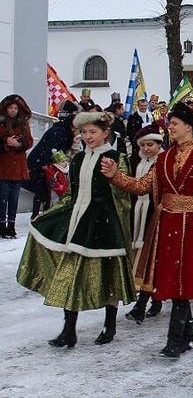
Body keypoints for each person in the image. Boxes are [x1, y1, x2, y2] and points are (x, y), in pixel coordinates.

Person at [101, 102, 193, 358]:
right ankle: (187, 337)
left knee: (182, 282)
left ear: (189, 128)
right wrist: (116, 175)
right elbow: (141, 186)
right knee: (173, 281)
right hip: (166, 225)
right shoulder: (163, 158)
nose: (169, 127)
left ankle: (175, 341)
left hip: (191, 226)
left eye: (174, 123)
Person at [17, 111, 135, 348]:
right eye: (83, 132)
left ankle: (109, 325)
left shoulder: (116, 157)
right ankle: (69, 330)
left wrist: (114, 180)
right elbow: (71, 193)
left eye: (93, 132)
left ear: (106, 133)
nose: (88, 137)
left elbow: (123, 194)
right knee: (71, 275)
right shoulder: (79, 160)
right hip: (77, 223)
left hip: (104, 225)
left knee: (109, 275)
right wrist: (52, 214)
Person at [124, 124, 165, 324]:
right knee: (140, 259)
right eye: (143, 145)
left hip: (154, 214)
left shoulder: (163, 162)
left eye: (150, 144)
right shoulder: (135, 162)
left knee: (152, 259)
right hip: (136, 214)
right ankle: (152, 297)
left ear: (158, 145)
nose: (147, 148)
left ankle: (144, 302)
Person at [24, 99, 79, 218]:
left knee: (44, 191)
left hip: (41, 163)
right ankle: (39, 215)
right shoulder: (60, 131)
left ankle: (42, 214)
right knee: (43, 191)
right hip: (41, 165)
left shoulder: (60, 129)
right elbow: (51, 148)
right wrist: (45, 163)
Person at [0, 95, 33, 239]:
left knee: (14, 198)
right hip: (3, 165)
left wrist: (19, 144)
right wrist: (5, 142)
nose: (13, 111)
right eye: (10, 108)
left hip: (18, 166)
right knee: (3, 197)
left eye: (15, 108)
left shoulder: (23, 123)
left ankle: (11, 226)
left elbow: (29, 141)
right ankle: (2, 225)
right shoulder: (1, 123)